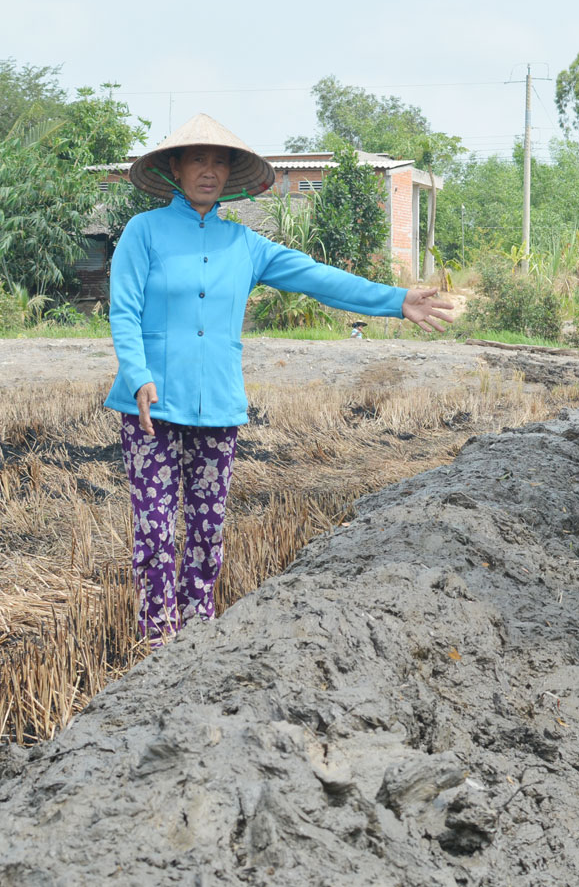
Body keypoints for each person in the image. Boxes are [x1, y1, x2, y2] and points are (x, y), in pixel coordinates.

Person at [105, 113, 453, 645]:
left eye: (219, 162)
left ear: (230, 175)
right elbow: (124, 311)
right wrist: (137, 375)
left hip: (218, 408)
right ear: (175, 167)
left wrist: (396, 300)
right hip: (149, 407)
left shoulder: (244, 245)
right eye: (198, 159)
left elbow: (319, 279)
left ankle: (198, 636)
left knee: (206, 531)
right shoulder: (143, 232)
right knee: (155, 530)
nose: (209, 171)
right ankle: (156, 637)